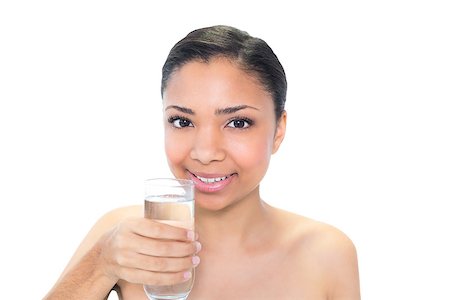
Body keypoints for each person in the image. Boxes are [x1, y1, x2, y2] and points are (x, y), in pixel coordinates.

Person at [44, 25, 360, 300]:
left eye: (238, 123)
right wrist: (100, 263)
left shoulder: (326, 253)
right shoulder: (124, 237)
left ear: (279, 130)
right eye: (182, 121)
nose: (206, 152)